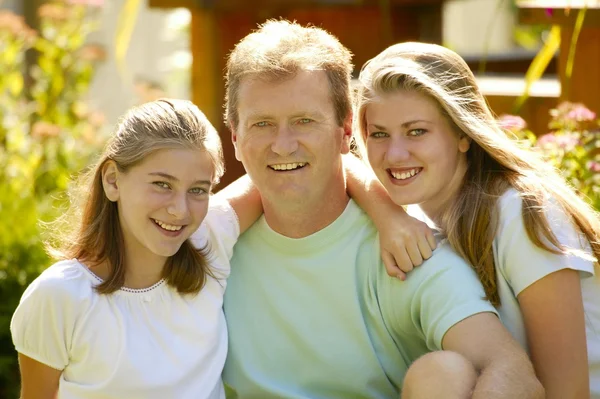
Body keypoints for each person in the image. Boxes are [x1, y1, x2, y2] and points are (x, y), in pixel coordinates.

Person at [9, 98, 436, 398]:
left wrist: (390, 215)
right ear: (113, 181)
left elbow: (317, 164)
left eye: (198, 189)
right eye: (161, 184)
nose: (179, 210)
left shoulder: (207, 240)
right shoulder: (61, 297)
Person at [221, 19, 543, 398]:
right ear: (236, 137)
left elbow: (509, 368)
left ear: (345, 132)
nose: (283, 145)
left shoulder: (405, 252)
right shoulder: (208, 247)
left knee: (447, 372)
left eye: (304, 121)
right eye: (262, 124)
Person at [353, 41, 600, 399]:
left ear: (462, 134)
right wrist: (382, 211)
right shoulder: (410, 218)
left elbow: (569, 391)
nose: (395, 153)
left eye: (416, 131)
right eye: (378, 134)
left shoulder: (522, 211)